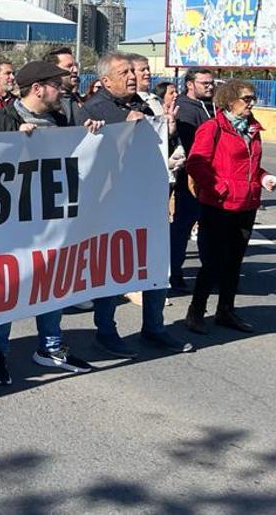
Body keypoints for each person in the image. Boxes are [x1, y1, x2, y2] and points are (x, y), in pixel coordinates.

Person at [0, 62, 102, 385]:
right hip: (11, 223)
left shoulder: (62, 119)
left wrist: (92, 134)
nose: (62, 90)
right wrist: (11, 142)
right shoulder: (3, 119)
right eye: (56, 85)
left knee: (53, 281)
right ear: (37, 88)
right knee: (7, 286)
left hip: (53, 218)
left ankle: (50, 345)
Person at [81, 53, 190, 356]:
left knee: (155, 264)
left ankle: (154, 328)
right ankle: (105, 331)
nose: (133, 76)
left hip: (146, 198)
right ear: (105, 80)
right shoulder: (94, 108)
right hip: (111, 205)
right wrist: (120, 125)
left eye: (134, 71)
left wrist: (165, 129)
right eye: (124, 72)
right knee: (112, 269)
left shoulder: (140, 104)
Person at [184, 79, 275, 335]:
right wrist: (222, 189)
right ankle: (196, 311)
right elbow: (196, 164)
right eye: (247, 98)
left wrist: (263, 177)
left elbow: (251, 168)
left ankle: (226, 310)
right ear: (229, 100)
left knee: (234, 262)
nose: (252, 102)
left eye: (252, 98)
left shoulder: (252, 128)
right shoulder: (213, 127)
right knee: (212, 262)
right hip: (219, 205)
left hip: (247, 204)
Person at [171, 68, 215, 291]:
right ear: (190, 84)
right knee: (183, 225)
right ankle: (174, 273)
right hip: (190, 178)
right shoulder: (185, 110)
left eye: (211, 82)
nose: (210, 86)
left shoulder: (210, 107)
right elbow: (191, 146)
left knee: (206, 226)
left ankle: (210, 273)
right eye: (204, 83)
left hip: (210, 178)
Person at [43, 47, 85, 126]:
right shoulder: (45, 102)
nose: (75, 70)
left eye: (76, 66)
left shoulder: (77, 100)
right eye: (69, 66)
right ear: (53, 70)